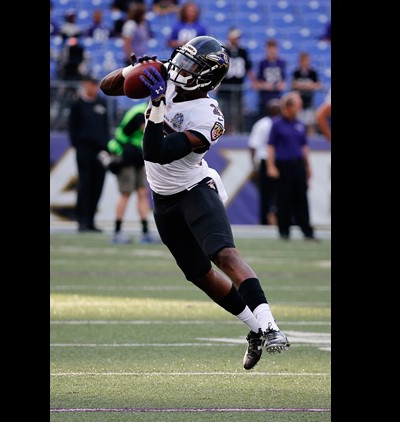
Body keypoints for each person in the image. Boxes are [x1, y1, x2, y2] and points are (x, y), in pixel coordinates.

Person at [99, 36, 290, 370]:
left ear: (207, 78)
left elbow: (155, 151)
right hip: (162, 197)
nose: (180, 68)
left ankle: (271, 327)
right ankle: (255, 329)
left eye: (191, 65)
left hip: (193, 189)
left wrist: (158, 106)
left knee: (224, 254)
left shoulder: (208, 116)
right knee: (199, 275)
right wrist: (134, 69)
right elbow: (108, 86)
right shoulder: (167, 77)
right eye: (182, 59)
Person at [103, 102, 161, 244]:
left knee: (142, 192)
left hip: (138, 155)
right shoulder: (140, 112)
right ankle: (117, 232)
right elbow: (149, 131)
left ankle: (145, 232)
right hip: (126, 155)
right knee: (126, 193)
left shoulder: (148, 110)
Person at [266, 92, 317, 241]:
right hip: (283, 165)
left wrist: (308, 167)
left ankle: (307, 231)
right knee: (284, 198)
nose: (300, 108)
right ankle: (284, 231)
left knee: (302, 197)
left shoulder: (300, 124)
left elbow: (304, 147)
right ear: (289, 106)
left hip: (298, 164)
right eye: (297, 105)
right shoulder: (276, 124)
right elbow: (270, 146)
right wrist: (271, 166)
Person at [69, 76, 110, 233]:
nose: (94, 88)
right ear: (85, 85)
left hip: (100, 151)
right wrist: (78, 145)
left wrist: (106, 147)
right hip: (84, 150)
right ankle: (82, 221)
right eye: (91, 85)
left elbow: (106, 128)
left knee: (97, 185)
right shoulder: (77, 105)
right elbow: (72, 128)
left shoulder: (102, 103)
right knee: (84, 185)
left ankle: (91, 221)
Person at [247, 99, 281, 226]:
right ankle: (265, 221)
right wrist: (254, 165)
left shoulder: (263, 124)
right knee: (266, 193)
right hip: (266, 160)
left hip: (279, 161)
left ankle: (279, 220)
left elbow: (252, 146)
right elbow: (253, 146)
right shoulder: (263, 124)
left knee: (279, 193)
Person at [218, 28, 255, 134]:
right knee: (225, 111)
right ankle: (225, 131)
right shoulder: (224, 50)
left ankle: (236, 131)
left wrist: (254, 81)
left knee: (238, 111)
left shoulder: (242, 51)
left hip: (238, 87)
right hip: (225, 87)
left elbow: (248, 68)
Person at [253, 39, 287, 121]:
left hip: (277, 96)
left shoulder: (281, 63)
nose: (272, 51)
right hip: (264, 98)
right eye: (270, 48)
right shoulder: (262, 63)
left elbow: (283, 82)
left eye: (273, 48)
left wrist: (276, 86)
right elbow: (257, 83)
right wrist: (265, 86)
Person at [291, 51, 322, 136]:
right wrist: (307, 86)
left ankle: (311, 142)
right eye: (303, 60)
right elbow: (294, 85)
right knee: (297, 124)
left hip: (309, 102)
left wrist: (303, 86)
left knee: (310, 123)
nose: (305, 63)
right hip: (299, 103)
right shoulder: (296, 72)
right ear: (300, 61)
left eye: (306, 60)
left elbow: (318, 85)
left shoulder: (312, 72)